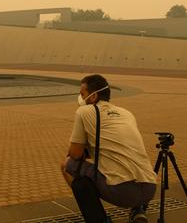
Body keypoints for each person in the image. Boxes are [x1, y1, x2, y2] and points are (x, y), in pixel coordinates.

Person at [61, 74, 157, 223]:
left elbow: (75, 154)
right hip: (150, 188)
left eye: (82, 94)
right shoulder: (127, 113)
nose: (80, 98)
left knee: (67, 165)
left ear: (93, 97)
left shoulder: (84, 112)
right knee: (125, 163)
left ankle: (99, 219)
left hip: (122, 192)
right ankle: (138, 211)